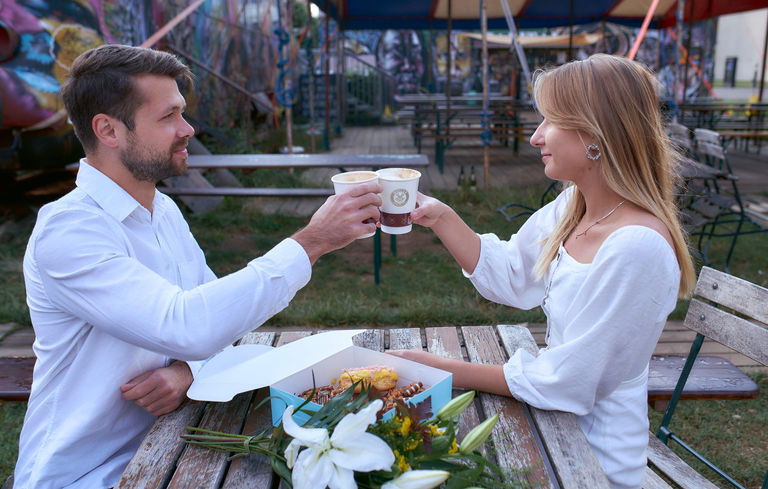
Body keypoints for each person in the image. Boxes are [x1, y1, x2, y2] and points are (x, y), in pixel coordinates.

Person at [15, 44, 382, 489]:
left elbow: (216, 322)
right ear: (108, 130)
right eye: (168, 116)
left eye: (182, 113)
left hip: (173, 444)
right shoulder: (69, 232)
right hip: (87, 474)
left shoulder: (162, 211)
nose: (187, 129)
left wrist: (187, 371)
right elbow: (189, 326)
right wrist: (312, 241)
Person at [389, 54, 696, 489]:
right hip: (551, 429)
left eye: (549, 121)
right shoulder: (575, 207)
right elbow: (511, 275)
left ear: (594, 134)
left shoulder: (637, 247)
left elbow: (566, 382)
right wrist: (439, 216)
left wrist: (440, 368)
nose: (535, 137)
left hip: (594, 463)